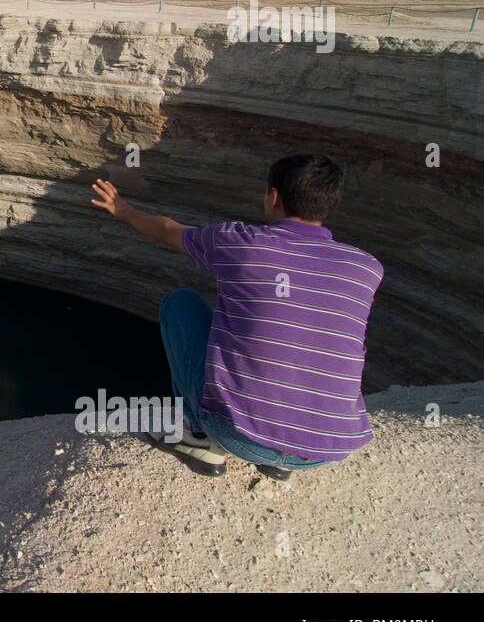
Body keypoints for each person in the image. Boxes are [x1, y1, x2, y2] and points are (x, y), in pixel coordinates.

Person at [90, 153, 384, 480]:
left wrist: (123, 210)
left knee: (181, 303)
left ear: (273, 198)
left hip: (237, 436)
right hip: (325, 452)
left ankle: (197, 436)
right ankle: (279, 456)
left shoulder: (240, 242)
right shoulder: (366, 268)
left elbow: (165, 230)